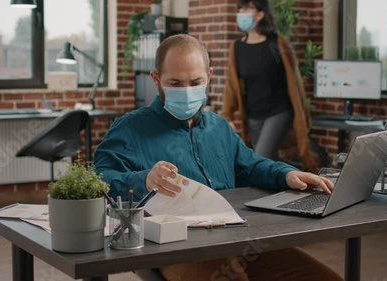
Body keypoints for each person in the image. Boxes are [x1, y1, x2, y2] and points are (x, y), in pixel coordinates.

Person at [94, 34, 342, 281]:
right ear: (156, 79)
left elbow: (250, 166)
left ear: (209, 77)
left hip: (236, 238)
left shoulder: (219, 128)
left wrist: (287, 174)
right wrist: (145, 180)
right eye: (175, 83)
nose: (187, 90)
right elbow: (100, 181)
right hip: (171, 247)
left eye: (195, 81)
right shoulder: (129, 130)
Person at [221, 0, 319, 171]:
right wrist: (227, 114)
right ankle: (286, 192)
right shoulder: (237, 48)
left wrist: (304, 115)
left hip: (278, 111)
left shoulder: (277, 43)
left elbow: (295, 82)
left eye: (247, 8)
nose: (241, 12)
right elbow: (231, 84)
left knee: (260, 158)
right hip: (253, 116)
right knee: (269, 163)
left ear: (260, 14)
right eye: (240, 9)